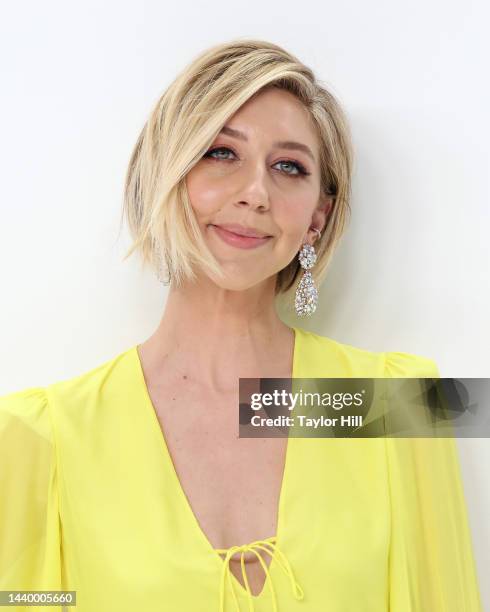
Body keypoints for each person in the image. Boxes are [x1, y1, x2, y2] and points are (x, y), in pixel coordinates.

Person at [0, 39, 482, 612]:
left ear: (316, 219)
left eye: (289, 167)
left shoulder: (389, 403)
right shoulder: (44, 435)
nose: (255, 193)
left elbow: (442, 597)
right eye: (221, 153)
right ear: (166, 173)